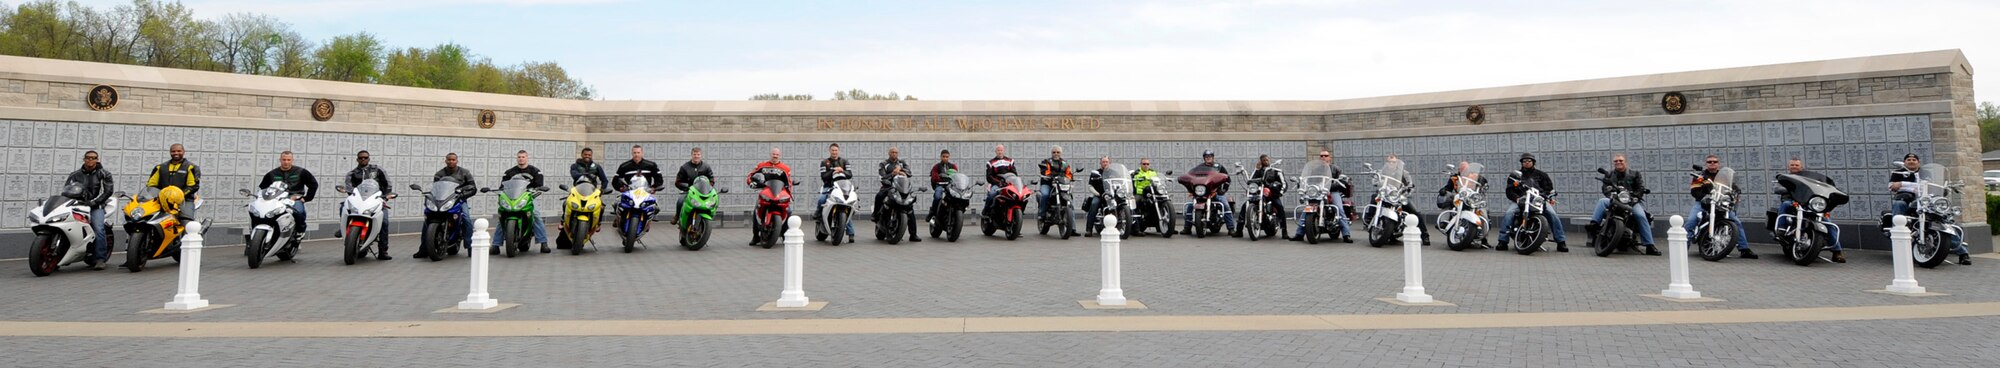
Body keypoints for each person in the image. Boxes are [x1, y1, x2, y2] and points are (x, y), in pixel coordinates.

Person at [1889, 153, 1971, 265]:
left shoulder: (1925, 172)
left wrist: (1903, 184)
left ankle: (1963, 254)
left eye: (1914, 159)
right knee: (1899, 204)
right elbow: (1892, 186)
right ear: (1905, 162)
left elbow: (1929, 185)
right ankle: (1897, 229)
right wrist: (1912, 187)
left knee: (1944, 222)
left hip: (1925, 200)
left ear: (1918, 162)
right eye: (1909, 159)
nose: (1911, 161)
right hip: (1906, 199)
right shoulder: (1898, 172)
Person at [1771, 158, 1843, 262]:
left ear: (1801, 167)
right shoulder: (1785, 178)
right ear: (1788, 167)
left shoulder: (1808, 179)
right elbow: (1777, 189)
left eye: (1796, 165)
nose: (1794, 167)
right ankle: (1781, 229)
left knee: (1827, 222)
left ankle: (1837, 252)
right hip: (1793, 202)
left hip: (1808, 204)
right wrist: (1792, 188)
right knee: (1785, 204)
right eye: (1792, 165)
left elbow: (1819, 188)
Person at [1687, 154, 1752, 259]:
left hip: (1720, 203)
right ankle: (1684, 246)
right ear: (1706, 164)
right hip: (1703, 203)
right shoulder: (1701, 176)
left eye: (1715, 161)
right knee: (1691, 221)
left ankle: (1744, 249)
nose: (1712, 163)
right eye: (1709, 162)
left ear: (1719, 164)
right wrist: (1704, 197)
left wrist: (1736, 193)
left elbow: (1733, 187)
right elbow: (1694, 191)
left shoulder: (1724, 177)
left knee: (1736, 222)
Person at [418, 153, 477, 258]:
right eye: (449, 159)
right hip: (442, 201)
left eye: (453, 159)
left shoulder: (465, 172)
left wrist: (463, 195)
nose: (451, 161)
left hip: (459, 200)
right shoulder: (439, 174)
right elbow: (435, 189)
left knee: (466, 219)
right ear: (445, 161)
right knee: (427, 220)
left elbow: (473, 188)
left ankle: (470, 247)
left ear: (457, 161)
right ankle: (423, 249)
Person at [337, 150, 394, 260]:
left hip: (375, 199)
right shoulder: (352, 173)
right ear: (357, 159)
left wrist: (385, 196)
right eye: (361, 158)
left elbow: (387, 184)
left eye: (365, 157)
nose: (363, 159)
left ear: (369, 158)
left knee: (385, 222)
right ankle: (343, 228)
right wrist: (352, 195)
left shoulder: (377, 170)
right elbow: (349, 187)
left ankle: (383, 250)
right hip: (358, 200)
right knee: (343, 207)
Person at [1495, 153, 1557, 250]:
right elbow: (1509, 191)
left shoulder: (1542, 175)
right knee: (1509, 213)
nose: (1527, 163)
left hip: (1538, 200)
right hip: (1521, 200)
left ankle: (1561, 241)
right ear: (1521, 163)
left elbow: (1548, 189)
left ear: (1533, 162)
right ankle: (1502, 241)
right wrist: (1517, 199)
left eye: (1529, 161)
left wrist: (1546, 197)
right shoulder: (1515, 175)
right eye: (1524, 161)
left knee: (1552, 214)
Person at [257, 151, 319, 244]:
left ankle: (300, 231)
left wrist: (306, 198)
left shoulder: (301, 172)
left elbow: (313, 184)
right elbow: (263, 188)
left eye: (289, 160)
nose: (286, 162)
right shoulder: (272, 174)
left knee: (299, 212)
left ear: (292, 160)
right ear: (280, 160)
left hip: (294, 199)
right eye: (284, 160)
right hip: (276, 199)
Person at [1291, 150, 1352, 243]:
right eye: (1322, 156)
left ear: (1329, 157)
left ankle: (1346, 234)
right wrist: (1303, 184)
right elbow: (1309, 180)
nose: (1324, 157)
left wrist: (1333, 186)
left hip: (1332, 192)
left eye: (1326, 155)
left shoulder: (1335, 168)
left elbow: (1341, 181)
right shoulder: (1316, 169)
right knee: (1306, 209)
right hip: (1318, 192)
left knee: (1339, 209)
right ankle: (1299, 234)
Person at [1368, 155, 1430, 245]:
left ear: (1397, 163)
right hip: (1385, 195)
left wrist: (1407, 189)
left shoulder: (1404, 173)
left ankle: (1425, 236)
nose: (1391, 164)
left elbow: (1410, 184)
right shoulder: (1381, 172)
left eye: (1393, 162)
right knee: (1374, 197)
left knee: (1416, 212)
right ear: (1386, 163)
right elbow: (1375, 181)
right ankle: (1369, 219)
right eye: (1389, 162)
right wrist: (1377, 181)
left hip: (1398, 196)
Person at [68, 151, 115, 269]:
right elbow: (67, 190)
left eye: (93, 158)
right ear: (84, 159)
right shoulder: (75, 174)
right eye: (88, 158)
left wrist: (95, 202)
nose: (90, 160)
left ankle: (100, 258)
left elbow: (108, 191)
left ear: (97, 160)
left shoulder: (104, 174)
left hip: (95, 206)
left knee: (99, 229)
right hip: (78, 205)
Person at [497, 150, 550, 253]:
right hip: (512, 199)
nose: (521, 159)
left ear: (527, 158)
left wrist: (538, 189)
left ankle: (543, 243)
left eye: (523, 157)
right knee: (502, 215)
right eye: (519, 157)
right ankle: (495, 244)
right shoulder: (509, 172)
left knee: (536, 215)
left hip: (528, 198)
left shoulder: (535, 171)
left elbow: (539, 186)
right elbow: (503, 187)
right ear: (517, 158)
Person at [1181, 150, 1237, 235]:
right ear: (1204, 158)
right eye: (1206, 157)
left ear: (1213, 157)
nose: (1208, 158)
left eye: (1210, 156)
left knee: (1225, 205)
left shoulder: (1218, 167)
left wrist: (1224, 190)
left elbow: (1227, 179)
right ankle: (1187, 228)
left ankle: (1231, 228)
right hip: (1202, 192)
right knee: (1189, 207)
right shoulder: (1199, 167)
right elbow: (1191, 176)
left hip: (1215, 192)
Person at [748, 148, 794, 246]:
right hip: (766, 192)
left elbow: (789, 183)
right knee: (756, 209)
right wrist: (751, 182)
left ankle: (785, 233)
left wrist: (789, 194)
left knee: (789, 211)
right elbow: (751, 175)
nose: (775, 156)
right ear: (770, 154)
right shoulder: (762, 165)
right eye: (773, 154)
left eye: (777, 154)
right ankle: (755, 236)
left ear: (779, 155)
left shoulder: (785, 168)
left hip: (779, 194)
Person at [147, 143, 203, 220]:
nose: (176, 153)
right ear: (170, 152)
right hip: (163, 200)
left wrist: (177, 196)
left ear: (183, 152)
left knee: (186, 221)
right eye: (173, 151)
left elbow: (193, 186)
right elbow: (151, 185)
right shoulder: (160, 167)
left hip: (185, 200)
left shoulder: (191, 167)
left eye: (179, 151)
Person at [817, 143, 854, 241]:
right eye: (832, 150)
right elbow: (823, 176)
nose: (834, 152)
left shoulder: (844, 161)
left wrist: (842, 170)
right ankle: (818, 214)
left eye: (836, 150)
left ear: (838, 151)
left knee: (847, 205)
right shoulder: (825, 162)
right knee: (821, 199)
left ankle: (851, 233)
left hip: (842, 188)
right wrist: (833, 171)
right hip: (829, 187)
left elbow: (850, 175)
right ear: (829, 151)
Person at [1037, 146, 1077, 237]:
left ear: (1061, 153)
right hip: (1048, 183)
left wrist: (1070, 178)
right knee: (1045, 195)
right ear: (1051, 153)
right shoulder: (1046, 162)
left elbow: (1069, 174)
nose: (1056, 154)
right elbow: (1045, 172)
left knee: (1070, 202)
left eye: (1058, 152)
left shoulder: (1065, 163)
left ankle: (1073, 228)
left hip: (1061, 184)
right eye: (1054, 152)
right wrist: (1053, 176)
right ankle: (1041, 215)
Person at [1245, 154, 1288, 237]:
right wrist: (1256, 169)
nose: (1266, 161)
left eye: (1267, 160)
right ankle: (1239, 229)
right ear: (1261, 161)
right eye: (1264, 160)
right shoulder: (1259, 171)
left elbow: (1284, 184)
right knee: (1245, 206)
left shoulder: (1275, 171)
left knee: (1280, 207)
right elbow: (1251, 181)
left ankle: (1284, 230)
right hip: (1260, 194)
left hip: (1272, 194)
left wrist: (1280, 193)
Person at [927, 149, 958, 228]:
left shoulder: (953, 166)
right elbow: (934, 177)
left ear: (949, 157)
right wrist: (943, 178)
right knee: (937, 196)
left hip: (950, 186)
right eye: (943, 157)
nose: (945, 158)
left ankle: (956, 213)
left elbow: (956, 176)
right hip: (940, 185)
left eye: (947, 157)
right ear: (940, 157)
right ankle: (932, 212)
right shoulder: (936, 167)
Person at [1084, 156, 1113, 236]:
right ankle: (1089, 229)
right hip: (1099, 195)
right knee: (1094, 204)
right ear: (1100, 163)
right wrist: (1097, 193)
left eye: (1106, 162)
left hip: (1111, 196)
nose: (1105, 163)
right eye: (1103, 162)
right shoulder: (1095, 173)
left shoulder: (1113, 173)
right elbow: (1090, 186)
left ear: (1109, 163)